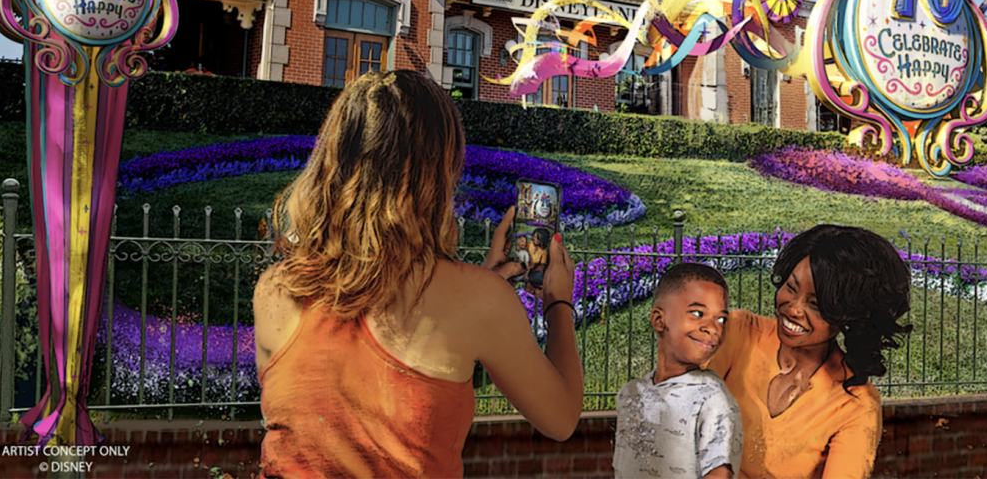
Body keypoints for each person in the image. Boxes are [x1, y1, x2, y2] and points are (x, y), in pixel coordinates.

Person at [253, 70, 584, 478]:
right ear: (438, 169)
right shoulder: (480, 300)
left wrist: (481, 287)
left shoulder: (273, 289)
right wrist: (558, 302)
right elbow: (561, 418)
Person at [706, 224, 910, 479]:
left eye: (815, 304)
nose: (793, 309)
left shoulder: (856, 406)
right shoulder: (738, 333)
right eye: (791, 288)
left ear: (848, 316)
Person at [614, 262, 743, 479]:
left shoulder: (711, 398)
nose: (712, 328)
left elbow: (719, 473)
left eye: (721, 319)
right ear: (659, 320)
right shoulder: (630, 394)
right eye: (697, 313)